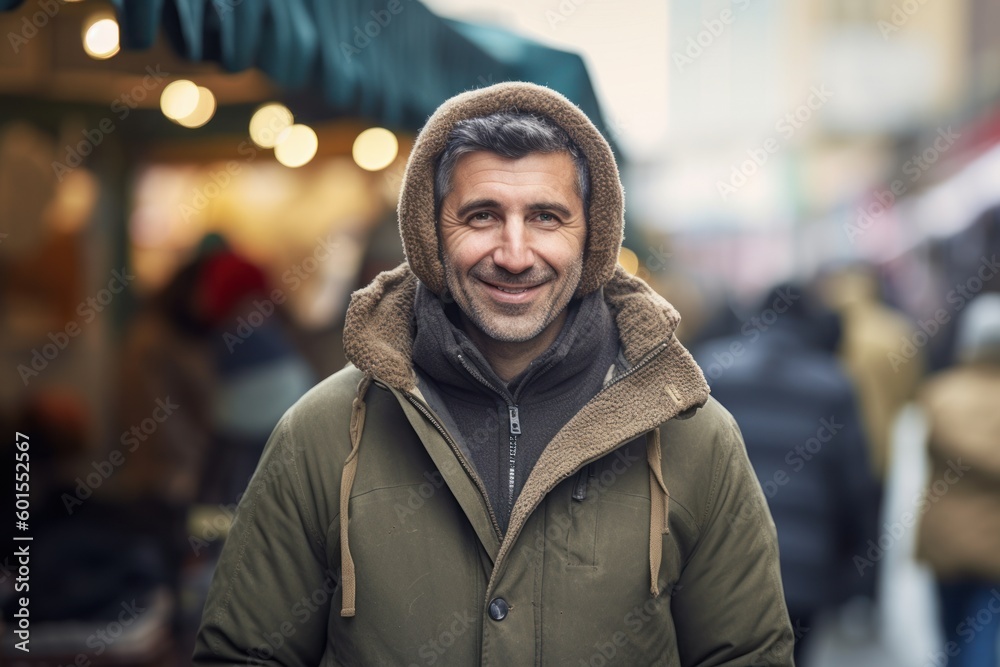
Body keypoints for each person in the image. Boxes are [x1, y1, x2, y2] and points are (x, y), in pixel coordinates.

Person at [194, 82, 793, 666]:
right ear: (430, 234)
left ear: (594, 236)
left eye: (546, 218)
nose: (513, 253)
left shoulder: (694, 437)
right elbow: (244, 654)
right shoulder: (321, 434)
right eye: (482, 216)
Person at [694, 287, 881, 665]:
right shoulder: (833, 383)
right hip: (805, 567)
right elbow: (856, 486)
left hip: (720, 562)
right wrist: (858, 573)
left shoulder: (712, 366)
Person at [916, 293, 1000, 667]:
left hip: (944, 540)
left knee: (951, 633)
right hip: (994, 544)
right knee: (982, 634)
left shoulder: (940, 394)